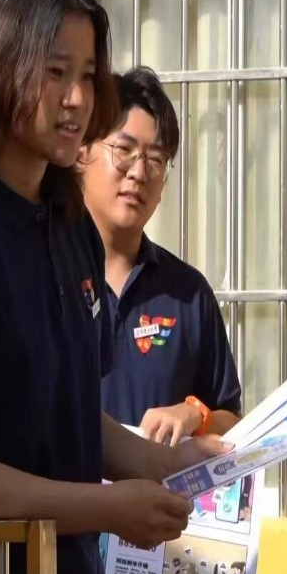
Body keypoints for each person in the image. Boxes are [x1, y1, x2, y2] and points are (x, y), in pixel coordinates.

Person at [0, 0, 225, 574]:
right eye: (56, 72)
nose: (79, 98)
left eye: (89, 75)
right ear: (1, 66)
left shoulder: (70, 229)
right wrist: (108, 506)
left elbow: (72, 413)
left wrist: (170, 463)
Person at [79, 66, 241, 444]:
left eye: (155, 160)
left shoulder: (188, 293)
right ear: (81, 154)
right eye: (123, 150)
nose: (139, 172)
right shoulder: (43, 276)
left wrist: (195, 414)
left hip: (163, 485)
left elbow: (232, 420)